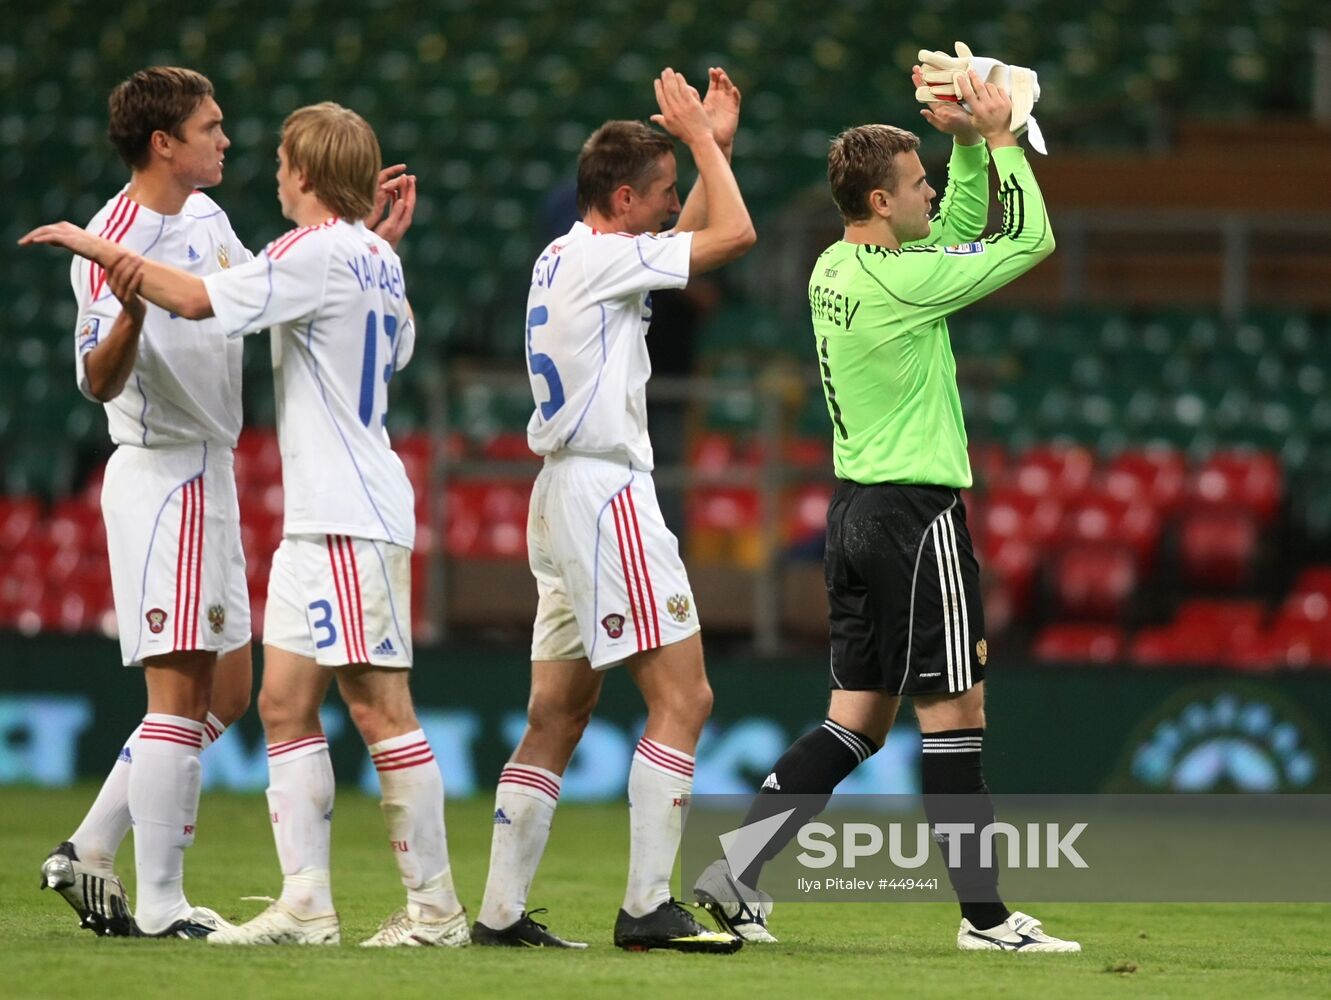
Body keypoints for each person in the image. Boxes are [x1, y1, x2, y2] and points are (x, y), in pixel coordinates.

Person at [22, 102, 455, 950]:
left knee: (380, 710)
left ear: (306, 173)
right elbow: (390, 348)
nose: (268, 168)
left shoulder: (311, 251)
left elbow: (189, 297)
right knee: (281, 702)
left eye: (283, 160)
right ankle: (305, 904)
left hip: (346, 513)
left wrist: (96, 245)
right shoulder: (375, 258)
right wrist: (372, 246)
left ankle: (435, 913)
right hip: (315, 516)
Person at [692, 67, 1080, 954]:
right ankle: (985, 922)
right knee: (954, 718)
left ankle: (735, 876)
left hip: (853, 515)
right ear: (877, 197)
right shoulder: (901, 284)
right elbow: (1027, 243)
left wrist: (957, 142)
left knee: (854, 720)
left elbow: (944, 230)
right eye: (915, 183)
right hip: (914, 517)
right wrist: (1004, 139)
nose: (931, 194)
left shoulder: (839, 264)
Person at [466, 67, 756, 953]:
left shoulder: (568, 253)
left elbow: (697, 230)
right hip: (604, 491)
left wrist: (718, 146)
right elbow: (735, 234)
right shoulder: (603, 258)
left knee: (556, 713)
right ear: (622, 197)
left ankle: (500, 916)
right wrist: (706, 144)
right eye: (663, 196)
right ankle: (645, 909)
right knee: (685, 697)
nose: (675, 210)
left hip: (557, 492)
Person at [31, 65, 255, 940]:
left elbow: (241, 299)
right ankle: (162, 905)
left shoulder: (207, 219)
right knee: (179, 693)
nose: (225, 139)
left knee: (227, 691)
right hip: (163, 471)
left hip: (214, 464)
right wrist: (126, 312)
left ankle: (88, 848)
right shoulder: (110, 236)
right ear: (164, 143)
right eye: (211, 127)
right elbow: (95, 377)